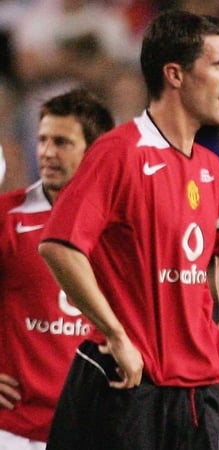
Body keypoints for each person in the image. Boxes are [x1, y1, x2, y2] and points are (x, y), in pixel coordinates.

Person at [37, 9, 219, 450]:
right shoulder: (119, 154)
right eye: (218, 65)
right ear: (174, 74)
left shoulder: (213, 170)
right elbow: (59, 245)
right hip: (126, 390)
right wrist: (115, 333)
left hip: (195, 397)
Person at [0, 88, 114, 449]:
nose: (47, 152)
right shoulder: (7, 218)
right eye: (42, 140)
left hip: (95, 429)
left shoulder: (124, 229)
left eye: (62, 142)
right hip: (14, 430)